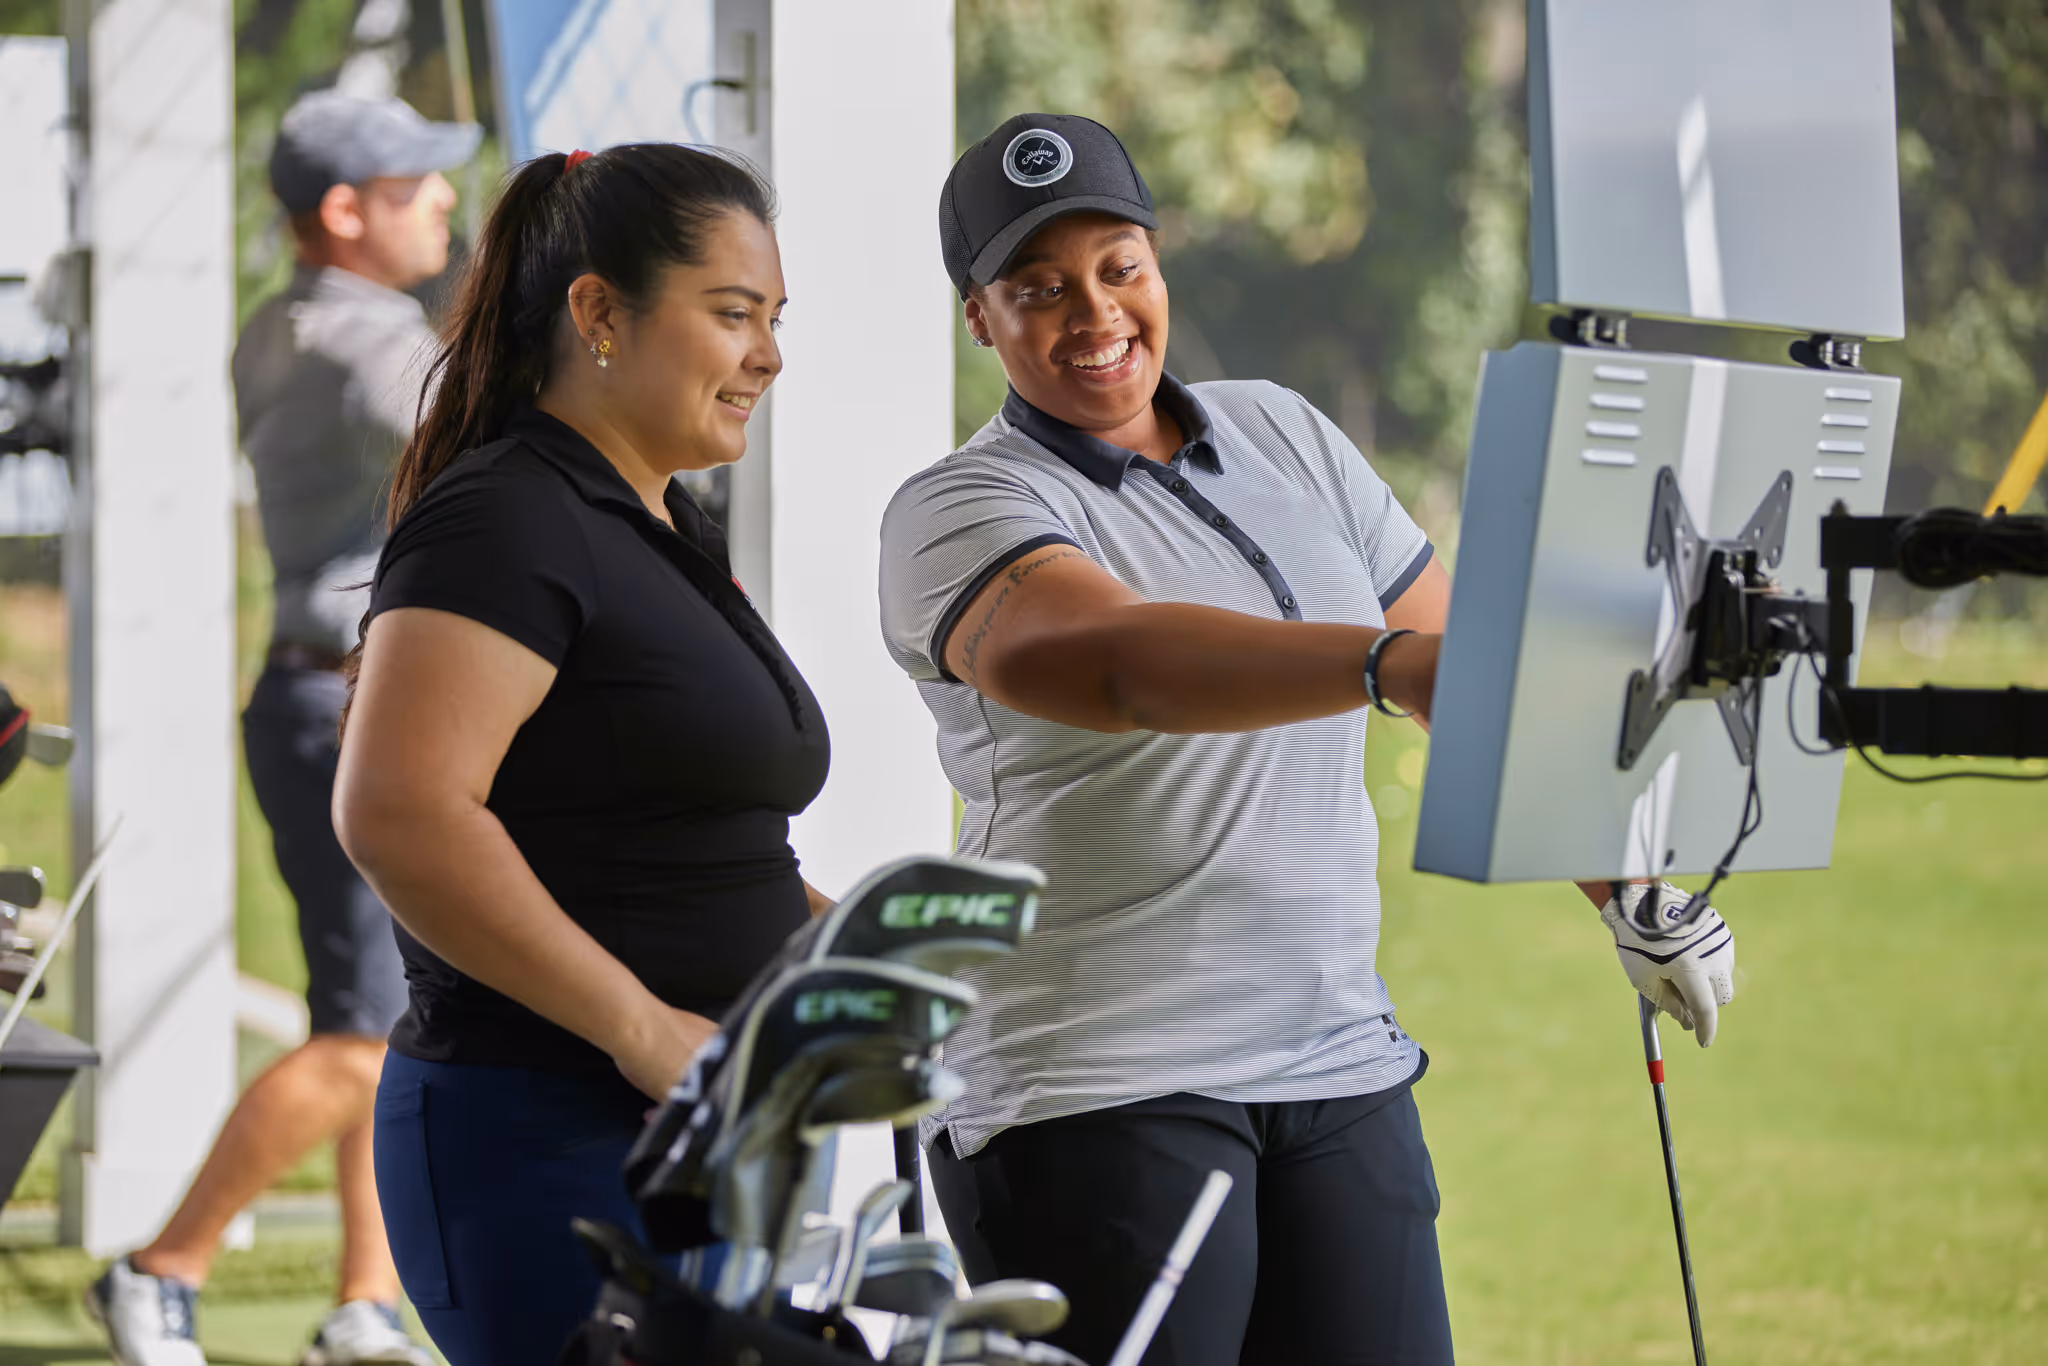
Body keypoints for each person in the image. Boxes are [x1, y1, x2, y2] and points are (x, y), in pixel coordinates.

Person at [880, 113, 1740, 1365]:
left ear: (1158, 265)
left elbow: (1470, 681)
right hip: (1091, 1077)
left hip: (1334, 1055)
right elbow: (1115, 662)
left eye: (1118, 267)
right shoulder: (959, 507)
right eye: (1037, 288)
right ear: (979, 318)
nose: (1093, 313)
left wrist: (1628, 887)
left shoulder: (1283, 431)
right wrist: (1381, 667)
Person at [330, 143, 834, 1366]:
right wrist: (639, 1025)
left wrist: (866, 945)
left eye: (772, 319)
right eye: (732, 315)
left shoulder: (663, 517)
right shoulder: (507, 515)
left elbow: (672, 834)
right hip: (548, 1138)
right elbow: (400, 811)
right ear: (599, 312)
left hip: (700, 1136)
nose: (766, 354)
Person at [88, 89, 478, 1366]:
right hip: (347, 711)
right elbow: (487, 449)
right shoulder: (362, 347)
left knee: (389, 1019)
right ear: (344, 212)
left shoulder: (287, 323)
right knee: (361, 1034)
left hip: (327, 696)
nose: (444, 201)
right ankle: (161, 1267)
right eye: (418, 182)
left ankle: (365, 1304)